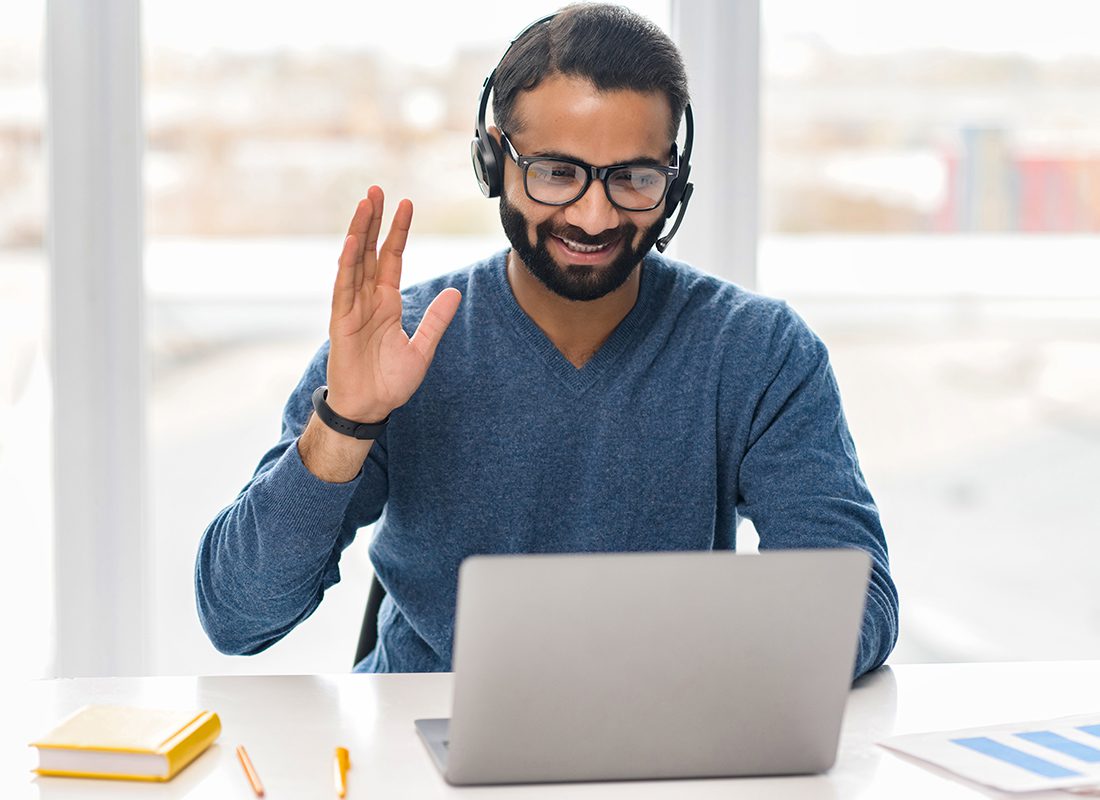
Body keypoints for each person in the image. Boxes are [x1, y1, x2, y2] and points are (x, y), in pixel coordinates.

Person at [195, 4, 899, 678]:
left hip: (666, 742)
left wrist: (707, 677)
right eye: (557, 172)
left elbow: (859, 603)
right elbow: (237, 617)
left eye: (633, 178)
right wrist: (346, 422)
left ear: (674, 186)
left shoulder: (759, 352)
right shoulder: (400, 345)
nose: (594, 216)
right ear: (494, 163)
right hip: (414, 746)